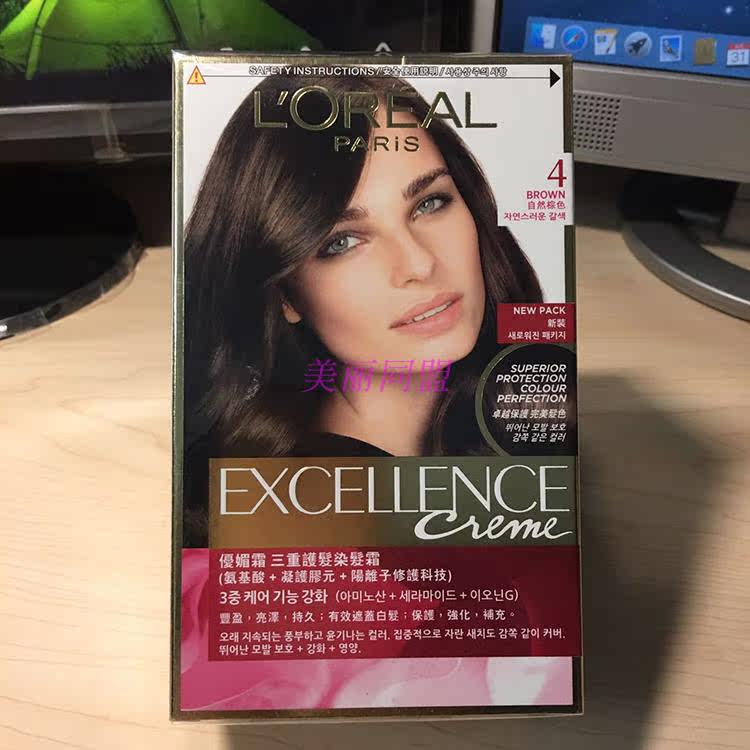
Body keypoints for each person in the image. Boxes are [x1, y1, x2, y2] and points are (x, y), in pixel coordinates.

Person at [182, 73, 543, 545]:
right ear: (285, 295)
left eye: (430, 203)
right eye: (343, 242)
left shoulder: (520, 419)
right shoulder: (290, 517)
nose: (418, 263)